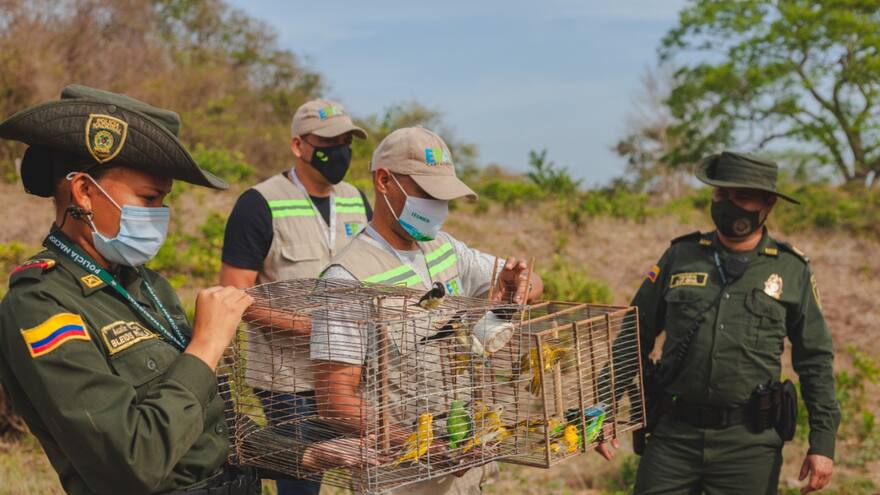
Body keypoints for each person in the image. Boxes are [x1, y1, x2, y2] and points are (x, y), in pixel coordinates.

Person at [0, 85, 258, 494]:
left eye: (163, 201)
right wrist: (205, 346)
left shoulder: (145, 283)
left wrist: (305, 453)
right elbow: (134, 460)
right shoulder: (40, 303)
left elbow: (202, 415)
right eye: (148, 199)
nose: (159, 216)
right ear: (84, 192)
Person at [311, 126, 544, 494]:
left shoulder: (445, 248)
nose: (439, 207)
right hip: (402, 479)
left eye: (444, 196)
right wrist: (420, 445)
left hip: (466, 469)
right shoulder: (347, 277)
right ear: (384, 181)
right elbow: (334, 400)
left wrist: (515, 289)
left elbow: (531, 283)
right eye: (428, 194)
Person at [597, 151, 839, 495]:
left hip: (749, 445)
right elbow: (633, 337)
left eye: (742, 196)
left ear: (767, 204)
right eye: (721, 195)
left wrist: (823, 443)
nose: (729, 204)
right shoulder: (680, 256)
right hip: (673, 436)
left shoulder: (791, 270)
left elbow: (815, 359)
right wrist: (602, 411)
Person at [219, 98, 371, 495]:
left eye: (344, 141)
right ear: (298, 145)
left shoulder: (356, 199)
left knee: (369, 470)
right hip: (289, 379)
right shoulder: (259, 203)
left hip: (347, 376)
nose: (338, 151)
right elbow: (234, 294)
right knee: (302, 479)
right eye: (327, 141)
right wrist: (312, 327)